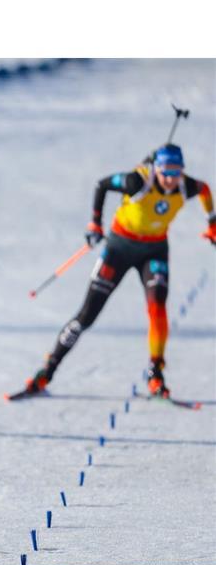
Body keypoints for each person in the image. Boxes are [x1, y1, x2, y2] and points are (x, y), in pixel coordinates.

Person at [19, 144, 215, 398]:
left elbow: (205, 190)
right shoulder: (137, 181)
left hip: (154, 250)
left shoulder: (185, 185)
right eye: (166, 171)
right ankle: (47, 371)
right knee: (87, 314)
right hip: (119, 248)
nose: (170, 178)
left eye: (176, 172)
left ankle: (156, 373)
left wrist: (212, 223)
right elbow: (102, 185)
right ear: (157, 168)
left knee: (157, 308)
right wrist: (95, 223)